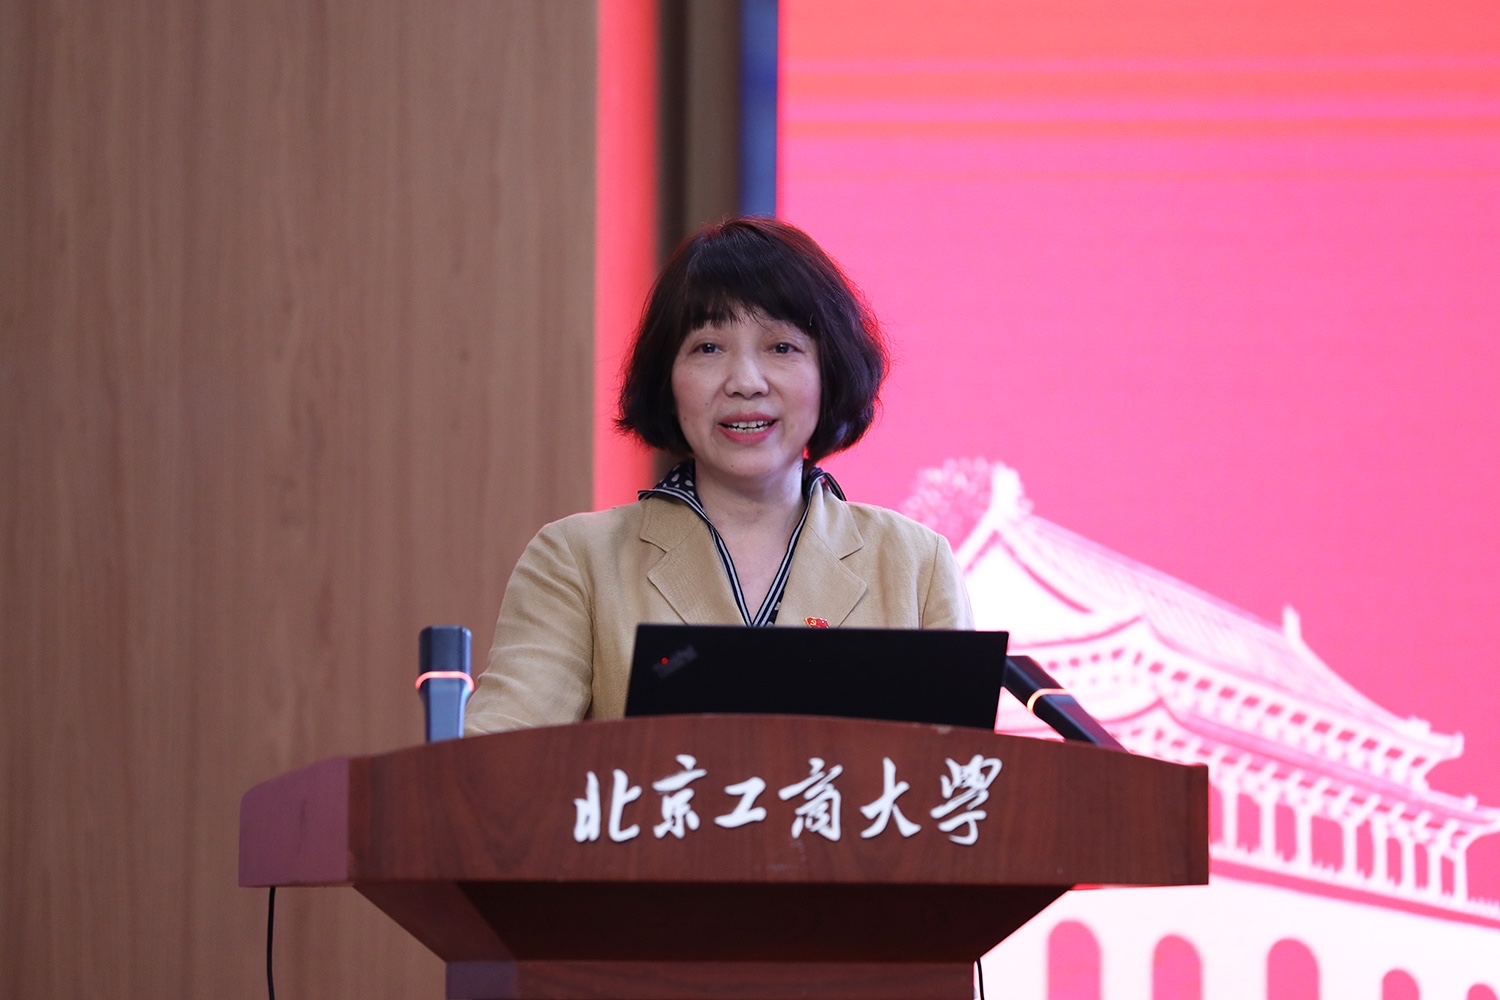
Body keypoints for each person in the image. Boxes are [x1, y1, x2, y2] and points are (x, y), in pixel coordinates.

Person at [465, 218, 972, 734]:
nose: (746, 382)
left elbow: (963, 774)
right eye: (708, 347)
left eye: (782, 347)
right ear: (667, 379)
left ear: (830, 372)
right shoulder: (578, 560)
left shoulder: (915, 564)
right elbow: (495, 762)